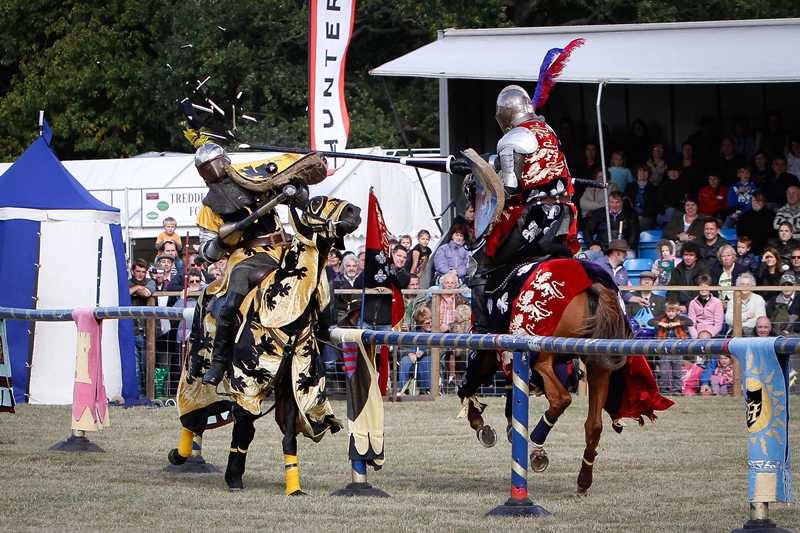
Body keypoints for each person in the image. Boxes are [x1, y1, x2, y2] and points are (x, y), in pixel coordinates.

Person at [193, 142, 324, 386]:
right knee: (234, 296)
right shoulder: (210, 205)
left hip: (283, 248)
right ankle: (219, 362)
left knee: (317, 272)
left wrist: (294, 189)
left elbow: (301, 200)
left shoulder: (253, 179)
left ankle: (325, 334)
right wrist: (223, 239)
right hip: (248, 254)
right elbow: (207, 250)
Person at [647, 300, 692, 396]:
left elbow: (690, 322)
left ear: (677, 311)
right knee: (664, 373)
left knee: (677, 373)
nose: (671, 314)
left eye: (673, 311)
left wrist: (677, 324)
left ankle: (677, 391)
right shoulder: (662, 318)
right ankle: (664, 392)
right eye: (669, 311)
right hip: (665, 351)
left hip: (677, 351)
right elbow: (650, 321)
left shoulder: (680, 319)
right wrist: (660, 324)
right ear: (665, 311)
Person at [581, 191, 639, 259]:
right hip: (602, 250)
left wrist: (627, 248)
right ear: (608, 202)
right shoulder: (600, 213)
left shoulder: (630, 213)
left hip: (623, 250)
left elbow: (634, 234)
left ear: (622, 203)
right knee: (584, 256)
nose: (614, 205)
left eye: (617, 202)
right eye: (612, 202)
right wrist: (592, 244)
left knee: (631, 257)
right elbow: (587, 230)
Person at [129, 258, 155, 397]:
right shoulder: (127, 283)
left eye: (143, 272)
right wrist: (137, 288)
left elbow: (147, 293)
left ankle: (148, 394)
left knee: (148, 365)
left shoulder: (150, 282)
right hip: (132, 330)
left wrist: (136, 290)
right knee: (136, 367)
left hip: (147, 332)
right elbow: (125, 293)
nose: (140, 274)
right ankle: (138, 394)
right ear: (132, 271)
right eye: (138, 271)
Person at [397, 306, 433, 395]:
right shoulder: (412, 333)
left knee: (426, 361)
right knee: (405, 361)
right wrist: (409, 353)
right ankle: (404, 390)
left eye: (431, 322)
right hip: (413, 356)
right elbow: (402, 347)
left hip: (427, 356)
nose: (431, 324)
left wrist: (424, 353)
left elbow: (440, 350)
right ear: (420, 323)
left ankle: (425, 390)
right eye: (427, 323)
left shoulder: (435, 334)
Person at [592, 239, 640, 305]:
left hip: (616, 309)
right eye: (624, 252)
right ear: (616, 252)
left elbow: (624, 294)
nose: (626, 254)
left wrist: (638, 300)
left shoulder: (623, 271)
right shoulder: (597, 265)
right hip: (599, 307)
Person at [667, 240, 709, 313]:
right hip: (678, 306)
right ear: (682, 256)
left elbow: (701, 291)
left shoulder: (703, 270)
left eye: (691, 255)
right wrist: (675, 306)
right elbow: (672, 290)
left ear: (696, 257)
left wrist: (687, 307)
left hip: (698, 305)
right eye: (686, 255)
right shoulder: (676, 270)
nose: (688, 258)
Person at [724, 272, 766, 336]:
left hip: (753, 332)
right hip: (734, 332)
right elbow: (729, 320)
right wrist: (747, 316)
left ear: (752, 286)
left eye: (747, 284)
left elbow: (760, 321)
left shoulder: (759, 299)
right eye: (742, 284)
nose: (745, 287)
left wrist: (738, 323)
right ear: (738, 286)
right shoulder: (733, 300)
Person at [736, 191, 776, 256]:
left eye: (759, 200)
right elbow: (740, 233)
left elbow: (770, 233)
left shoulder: (771, 215)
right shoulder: (744, 216)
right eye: (754, 200)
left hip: (764, 246)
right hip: (747, 245)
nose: (756, 203)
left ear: (764, 202)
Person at [710, 244, 748, 311]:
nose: (726, 258)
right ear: (720, 259)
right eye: (723, 256)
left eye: (728, 255)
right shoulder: (715, 270)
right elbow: (713, 290)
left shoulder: (742, 269)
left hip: (738, 303)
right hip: (719, 304)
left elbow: (745, 289)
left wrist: (731, 303)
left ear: (733, 257)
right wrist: (719, 302)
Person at [623, 164, 658, 231]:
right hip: (631, 214)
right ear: (637, 173)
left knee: (642, 224)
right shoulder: (630, 186)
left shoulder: (653, 188)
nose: (642, 173)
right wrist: (633, 215)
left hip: (647, 216)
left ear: (648, 174)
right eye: (640, 170)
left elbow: (652, 205)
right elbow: (626, 201)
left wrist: (642, 216)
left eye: (645, 171)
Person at [655, 162, 691, 228]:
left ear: (679, 173)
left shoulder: (684, 185)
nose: (673, 173)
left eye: (675, 171)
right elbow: (658, 202)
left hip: (678, 214)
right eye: (671, 171)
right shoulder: (662, 185)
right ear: (668, 173)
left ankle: (667, 231)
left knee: (671, 210)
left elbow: (684, 202)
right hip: (662, 214)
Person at [724, 163, 758, 228]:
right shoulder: (733, 187)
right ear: (738, 175)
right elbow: (731, 204)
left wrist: (740, 214)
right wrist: (738, 192)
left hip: (748, 214)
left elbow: (753, 205)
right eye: (742, 172)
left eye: (747, 172)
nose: (745, 174)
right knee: (724, 229)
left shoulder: (754, 187)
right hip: (735, 213)